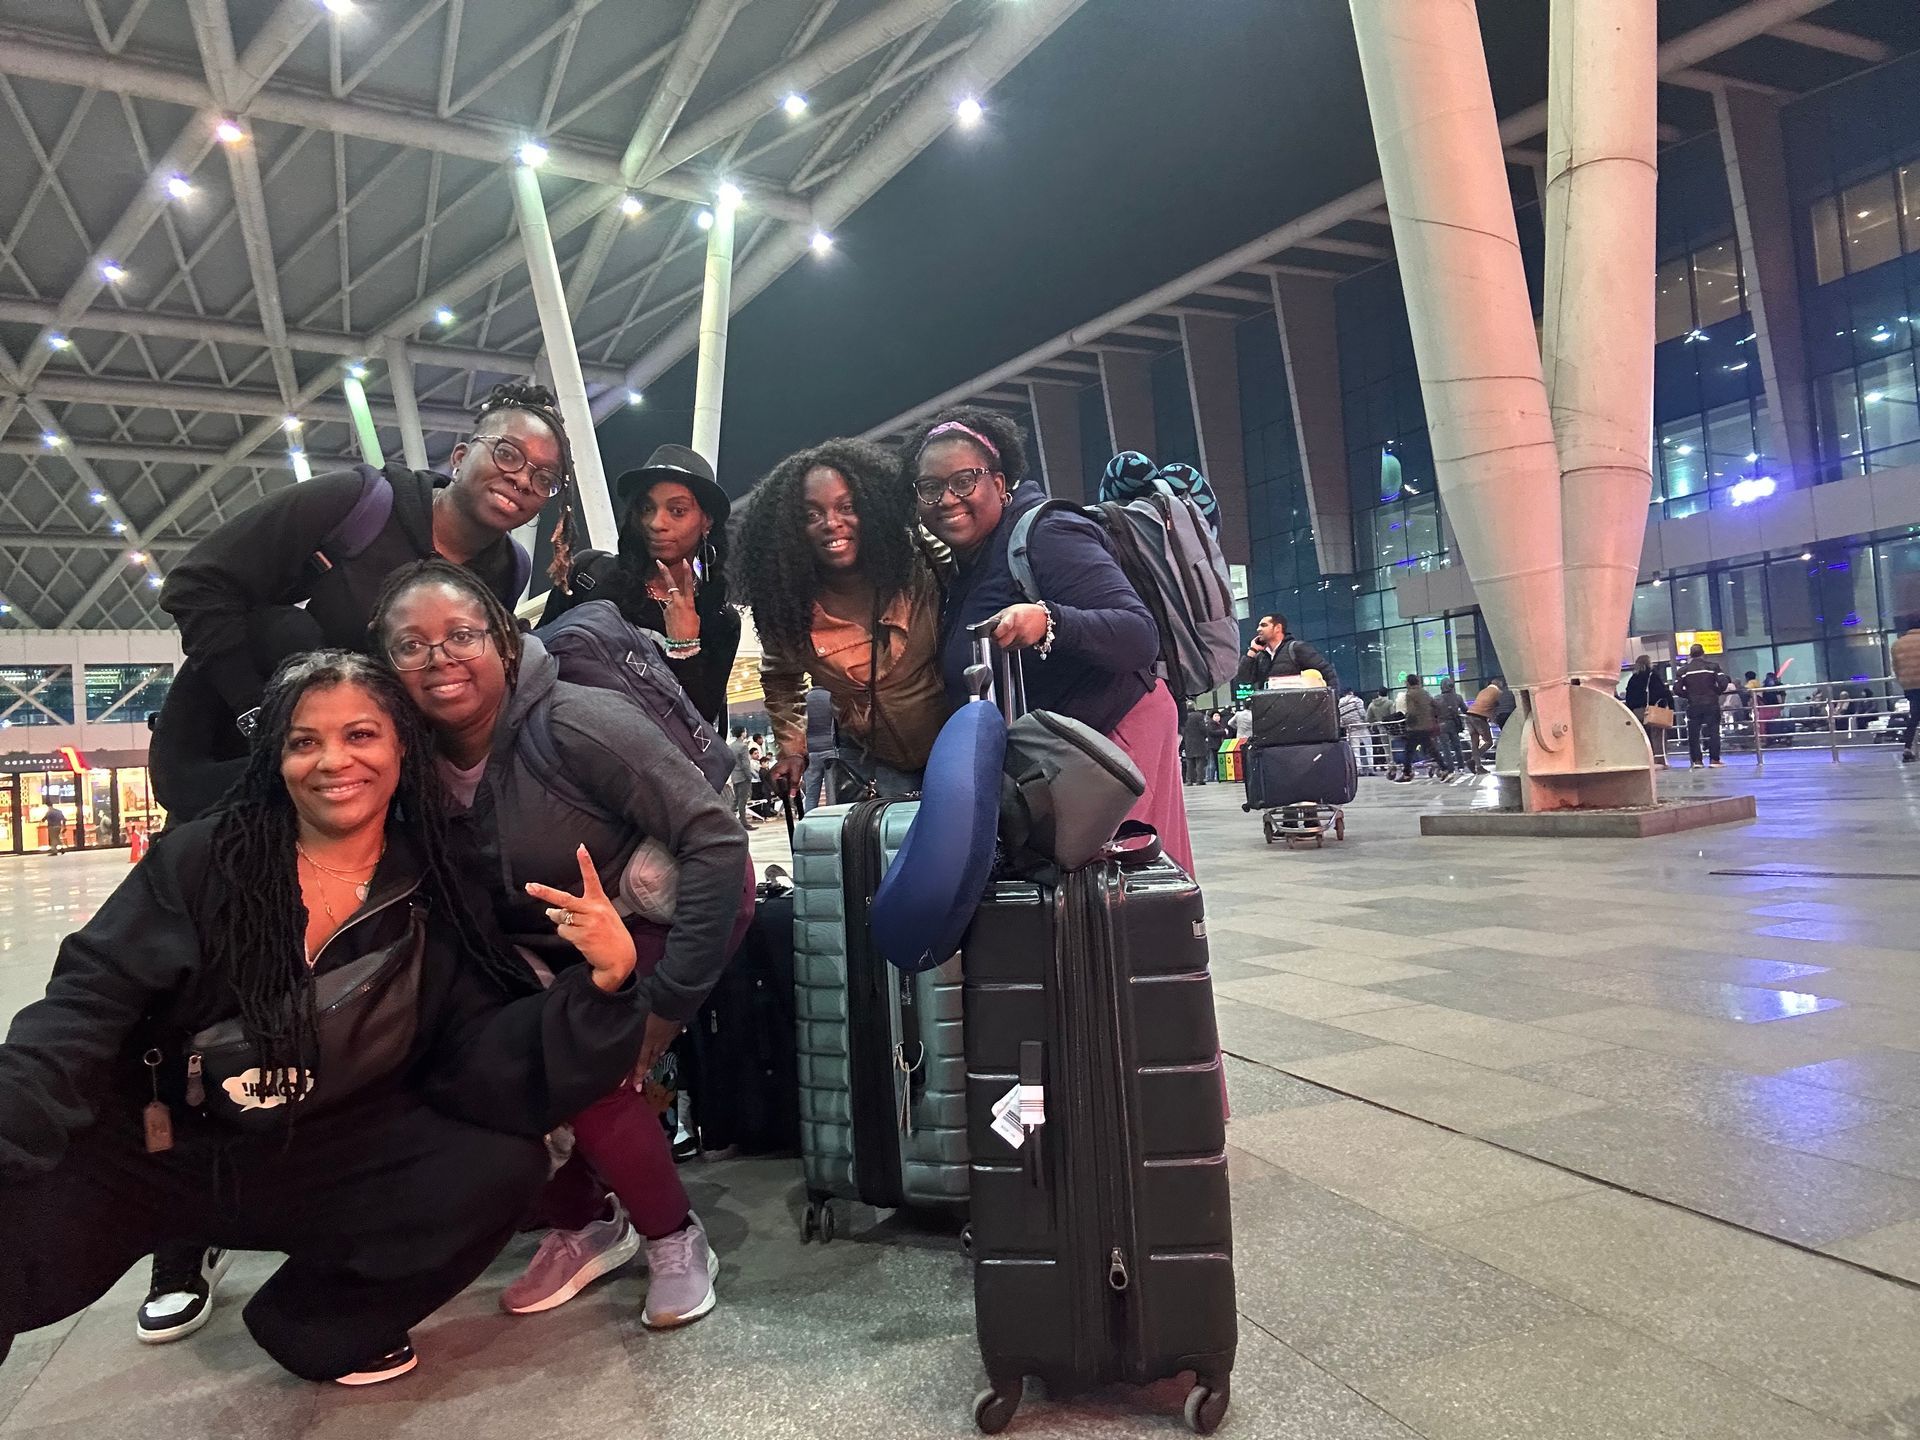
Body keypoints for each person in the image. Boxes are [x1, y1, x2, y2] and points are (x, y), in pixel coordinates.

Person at [0, 652, 659, 1384]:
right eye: (304, 741)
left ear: (402, 747)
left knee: (497, 1165)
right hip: (156, 1149)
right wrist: (15, 1112)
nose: (332, 762)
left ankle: (314, 1322)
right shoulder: (205, 858)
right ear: (276, 759)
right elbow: (87, 1001)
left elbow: (477, 1053)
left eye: (360, 736)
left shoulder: (432, 884)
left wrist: (604, 983)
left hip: (321, 1152)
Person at [370, 559, 749, 1330]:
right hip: (534, 947)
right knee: (477, 1063)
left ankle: (674, 1238)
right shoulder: (401, 763)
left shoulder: (576, 722)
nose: (440, 659)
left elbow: (715, 842)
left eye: (461, 635)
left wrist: (664, 1006)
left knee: (591, 1066)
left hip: (649, 918)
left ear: (504, 643)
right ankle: (583, 1222)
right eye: (411, 646)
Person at [152, 381, 564, 825]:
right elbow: (195, 583)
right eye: (507, 453)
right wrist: (257, 715)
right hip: (230, 744)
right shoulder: (355, 504)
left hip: (354, 776)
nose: (522, 478)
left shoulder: (505, 571)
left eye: (544, 478)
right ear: (461, 457)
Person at [906, 408, 1192, 875]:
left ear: (999, 484)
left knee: (1129, 907)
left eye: (964, 480)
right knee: (1080, 915)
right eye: (931, 488)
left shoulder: (1046, 532)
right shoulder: (968, 564)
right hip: (1060, 765)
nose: (946, 498)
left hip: (1110, 747)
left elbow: (1138, 634)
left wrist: (1048, 620)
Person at [733, 439, 950, 803]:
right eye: (811, 515)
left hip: (960, 750)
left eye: (847, 507)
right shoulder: (787, 608)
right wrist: (792, 750)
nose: (832, 523)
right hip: (872, 767)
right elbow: (781, 677)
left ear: (872, 508)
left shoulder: (922, 564)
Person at [540, 445, 739, 731]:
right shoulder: (589, 574)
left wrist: (685, 646)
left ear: (706, 521)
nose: (656, 523)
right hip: (558, 757)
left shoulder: (718, 618)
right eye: (647, 508)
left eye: (677, 511)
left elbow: (699, 723)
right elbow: (539, 658)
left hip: (649, 770)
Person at [1236, 612, 1335, 691]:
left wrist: (1332, 701)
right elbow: (1244, 680)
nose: (1258, 629)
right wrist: (1252, 651)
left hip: (1297, 711)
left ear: (1278, 628)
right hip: (1271, 712)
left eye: (1263, 625)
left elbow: (1327, 673)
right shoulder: (1260, 656)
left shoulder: (1297, 649)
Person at [1675, 643, 1730, 767]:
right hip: (1711, 703)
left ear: (1690, 654)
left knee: (1693, 734)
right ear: (1703, 653)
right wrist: (1716, 692)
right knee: (1713, 732)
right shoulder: (1712, 667)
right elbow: (1723, 683)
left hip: (1693, 704)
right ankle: (1714, 760)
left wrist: (1688, 695)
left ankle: (1697, 761)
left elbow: (1677, 689)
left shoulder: (1683, 671)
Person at [1394, 674, 1450, 782]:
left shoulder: (1410, 694)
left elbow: (1411, 711)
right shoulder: (1425, 692)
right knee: (1432, 749)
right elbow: (1436, 705)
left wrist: (1408, 721)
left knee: (1409, 750)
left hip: (1415, 727)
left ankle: (1407, 773)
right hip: (1427, 725)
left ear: (1408, 683)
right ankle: (1445, 769)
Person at [1624, 654, 1674, 766]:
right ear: (1649, 663)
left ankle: (1645, 760)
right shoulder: (1652, 676)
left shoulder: (1633, 678)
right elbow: (1662, 692)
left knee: (1642, 737)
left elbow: (1628, 696)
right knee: (1657, 735)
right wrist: (1670, 705)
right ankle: (1659, 760)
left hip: (1636, 712)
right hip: (1651, 710)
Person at [1894, 619, 1920, 763]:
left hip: (1910, 685)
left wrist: (1902, 681)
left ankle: (1907, 747)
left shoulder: (1898, 644)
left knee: (1914, 717)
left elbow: (1896, 667)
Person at [1465, 678, 1503, 773]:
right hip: (1479, 717)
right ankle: (1473, 760)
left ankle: (1478, 766)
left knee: (1474, 743)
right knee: (1489, 742)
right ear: (1499, 684)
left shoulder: (1483, 691)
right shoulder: (1498, 692)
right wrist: (1494, 719)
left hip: (1469, 714)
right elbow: (1497, 706)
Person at [1433, 678, 1467, 773]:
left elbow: (1433, 713)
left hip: (1441, 724)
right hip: (1454, 723)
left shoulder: (1436, 698)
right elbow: (1465, 710)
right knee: (1457, 746)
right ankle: (1461, 766)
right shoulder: (1458, 697)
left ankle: (1450, 768)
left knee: (1445, 747)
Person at [1182, 704, 1212, 786]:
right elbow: (1203, 728)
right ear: (1194, 707)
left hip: (1188, 742)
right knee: (1200, 762)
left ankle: (1189, 780)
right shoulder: (1199, 715)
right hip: (1199, 741)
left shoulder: (1184, 716)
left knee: (1189, 762)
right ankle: (1199, 779)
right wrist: (1205, 735)